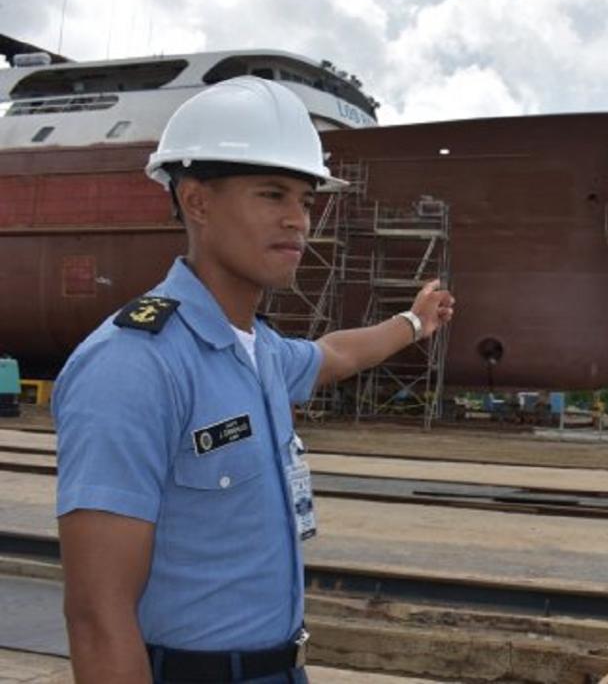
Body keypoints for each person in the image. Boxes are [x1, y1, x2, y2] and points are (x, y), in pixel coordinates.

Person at [53, 76, 455, 684]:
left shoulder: (260, 352)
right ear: (197, 202)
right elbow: (97, 617)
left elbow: (336, 354)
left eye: (306, 200)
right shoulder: (134, 365)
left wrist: (413, 323)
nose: (298, 221)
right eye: (273, 194)